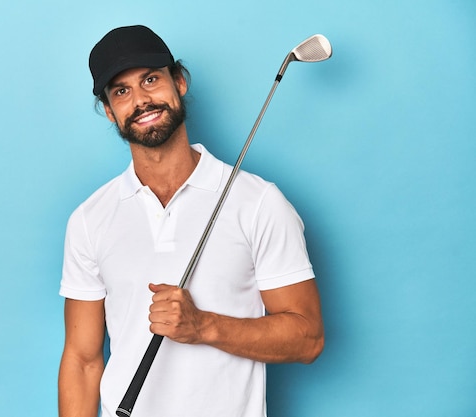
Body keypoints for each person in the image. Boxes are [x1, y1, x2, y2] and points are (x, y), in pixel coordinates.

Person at [58, 25, 324, 417]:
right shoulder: (89, 219)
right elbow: (82, 361)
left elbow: (308, 337)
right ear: (110, 112)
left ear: (179, 82)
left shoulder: (259, 202)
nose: (141, 100)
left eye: (151, 79)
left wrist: (204, 326)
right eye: (121, 91)